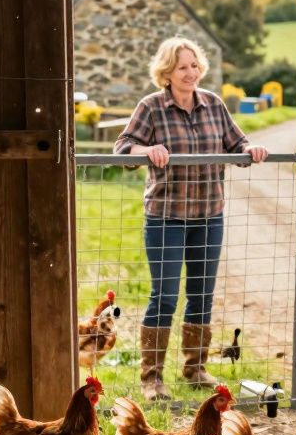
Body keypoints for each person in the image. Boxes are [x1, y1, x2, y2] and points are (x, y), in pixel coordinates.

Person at [113, 36, 268, 401]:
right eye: (182, 66)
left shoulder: (213, 104)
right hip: (166, 217)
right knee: (165, 296)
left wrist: (251, 149)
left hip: (208, 216)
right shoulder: (151, 108)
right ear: (166, 72)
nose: (191, 72)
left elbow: (237, 142)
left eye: (195, 65)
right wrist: (145, 149)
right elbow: (122, 148)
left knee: (201, 295)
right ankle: (152, 378)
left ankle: (195, 368)